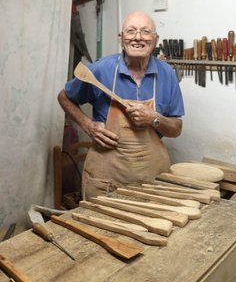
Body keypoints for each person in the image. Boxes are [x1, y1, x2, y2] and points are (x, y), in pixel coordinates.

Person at [57, 10, 185, 198]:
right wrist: (88, 125)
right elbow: (64, 97)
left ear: (156, 39)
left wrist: (154, 119)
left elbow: (176, 129)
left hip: (152, 179)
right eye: (131, 31)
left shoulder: (167, 74)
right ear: (121, 38)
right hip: (106, 179)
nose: (138, 37)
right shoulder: (101, 70)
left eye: (145, 32)